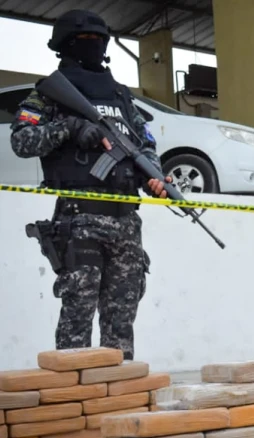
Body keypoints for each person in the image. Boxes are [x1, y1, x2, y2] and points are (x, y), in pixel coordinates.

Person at [9, 9, 171, 360]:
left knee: (121, 325)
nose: (94, 46)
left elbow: (146, 146)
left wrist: (155, 177)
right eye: (85, 40)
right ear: (67, 45)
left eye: (99, 40)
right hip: (80, 219)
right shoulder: (51, 94)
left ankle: (118, 391)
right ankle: (73, 391)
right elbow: (21, 140)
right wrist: (70, 128)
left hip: (126, 222)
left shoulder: (122, 97)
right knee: (76, 323)